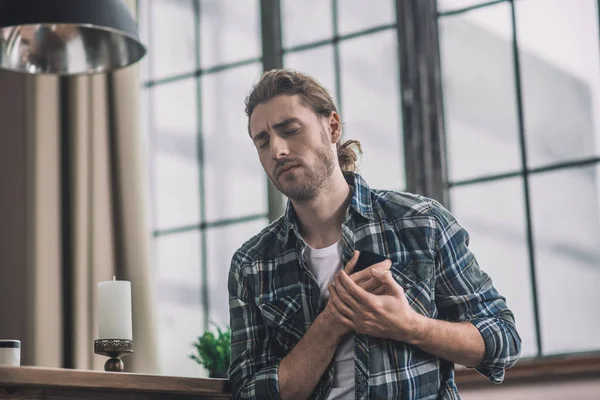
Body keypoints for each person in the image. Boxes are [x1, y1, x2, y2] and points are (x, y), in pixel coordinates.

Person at [227, 69, 521, 400]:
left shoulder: (421, 222)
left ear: (332, 127)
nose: (277, 150)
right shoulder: (252, 264)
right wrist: (332, 322)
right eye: (262, 141)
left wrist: (410, 325)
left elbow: (503, 340)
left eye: (290, 130)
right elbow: (250, 392)